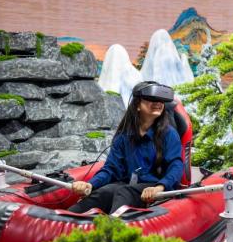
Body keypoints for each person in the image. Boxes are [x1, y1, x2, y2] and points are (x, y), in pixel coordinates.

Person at [69, 81, 184, 214]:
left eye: (161, 100)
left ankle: (111, 225)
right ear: (137, 105)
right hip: (129, 185)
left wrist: (160, 187)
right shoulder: (123, 136)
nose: (158, 103)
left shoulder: (169, 134)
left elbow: (176, 166)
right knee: (103, 193)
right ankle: (66, 220)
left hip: (156, 186)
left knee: (125, 192)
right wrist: (91, 184)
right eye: (152, 99)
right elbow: (111, 169)